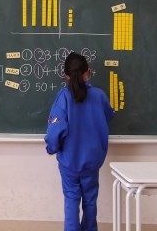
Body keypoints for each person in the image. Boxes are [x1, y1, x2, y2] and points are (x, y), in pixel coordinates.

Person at [45, 52, 114, 231]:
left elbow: (54, 132)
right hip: (92, 161)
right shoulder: (99, 96)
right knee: (90, 202)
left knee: (71, 201)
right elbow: (108, 115)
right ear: (87, 72)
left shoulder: (63, 97)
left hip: (69, 162)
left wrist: (52, 148)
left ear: (66, 75)